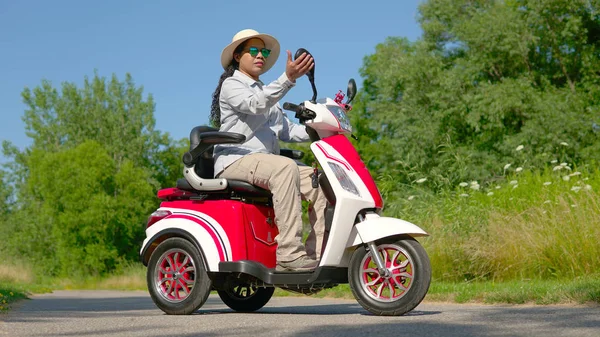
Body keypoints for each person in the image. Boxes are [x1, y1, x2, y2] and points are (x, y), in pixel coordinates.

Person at [209, 29, 327, 271]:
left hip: (263, 163)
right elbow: (255, 104)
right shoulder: (232, 85)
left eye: (263, 51)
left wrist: (322, 128)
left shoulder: (265, 91)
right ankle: (289, 254)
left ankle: (317, 258)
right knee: (284, 167)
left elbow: (287, 131)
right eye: (253, 50)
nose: (260, 55)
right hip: (235, 160)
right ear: (237, 56)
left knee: (320, 180)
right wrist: (288, 78)